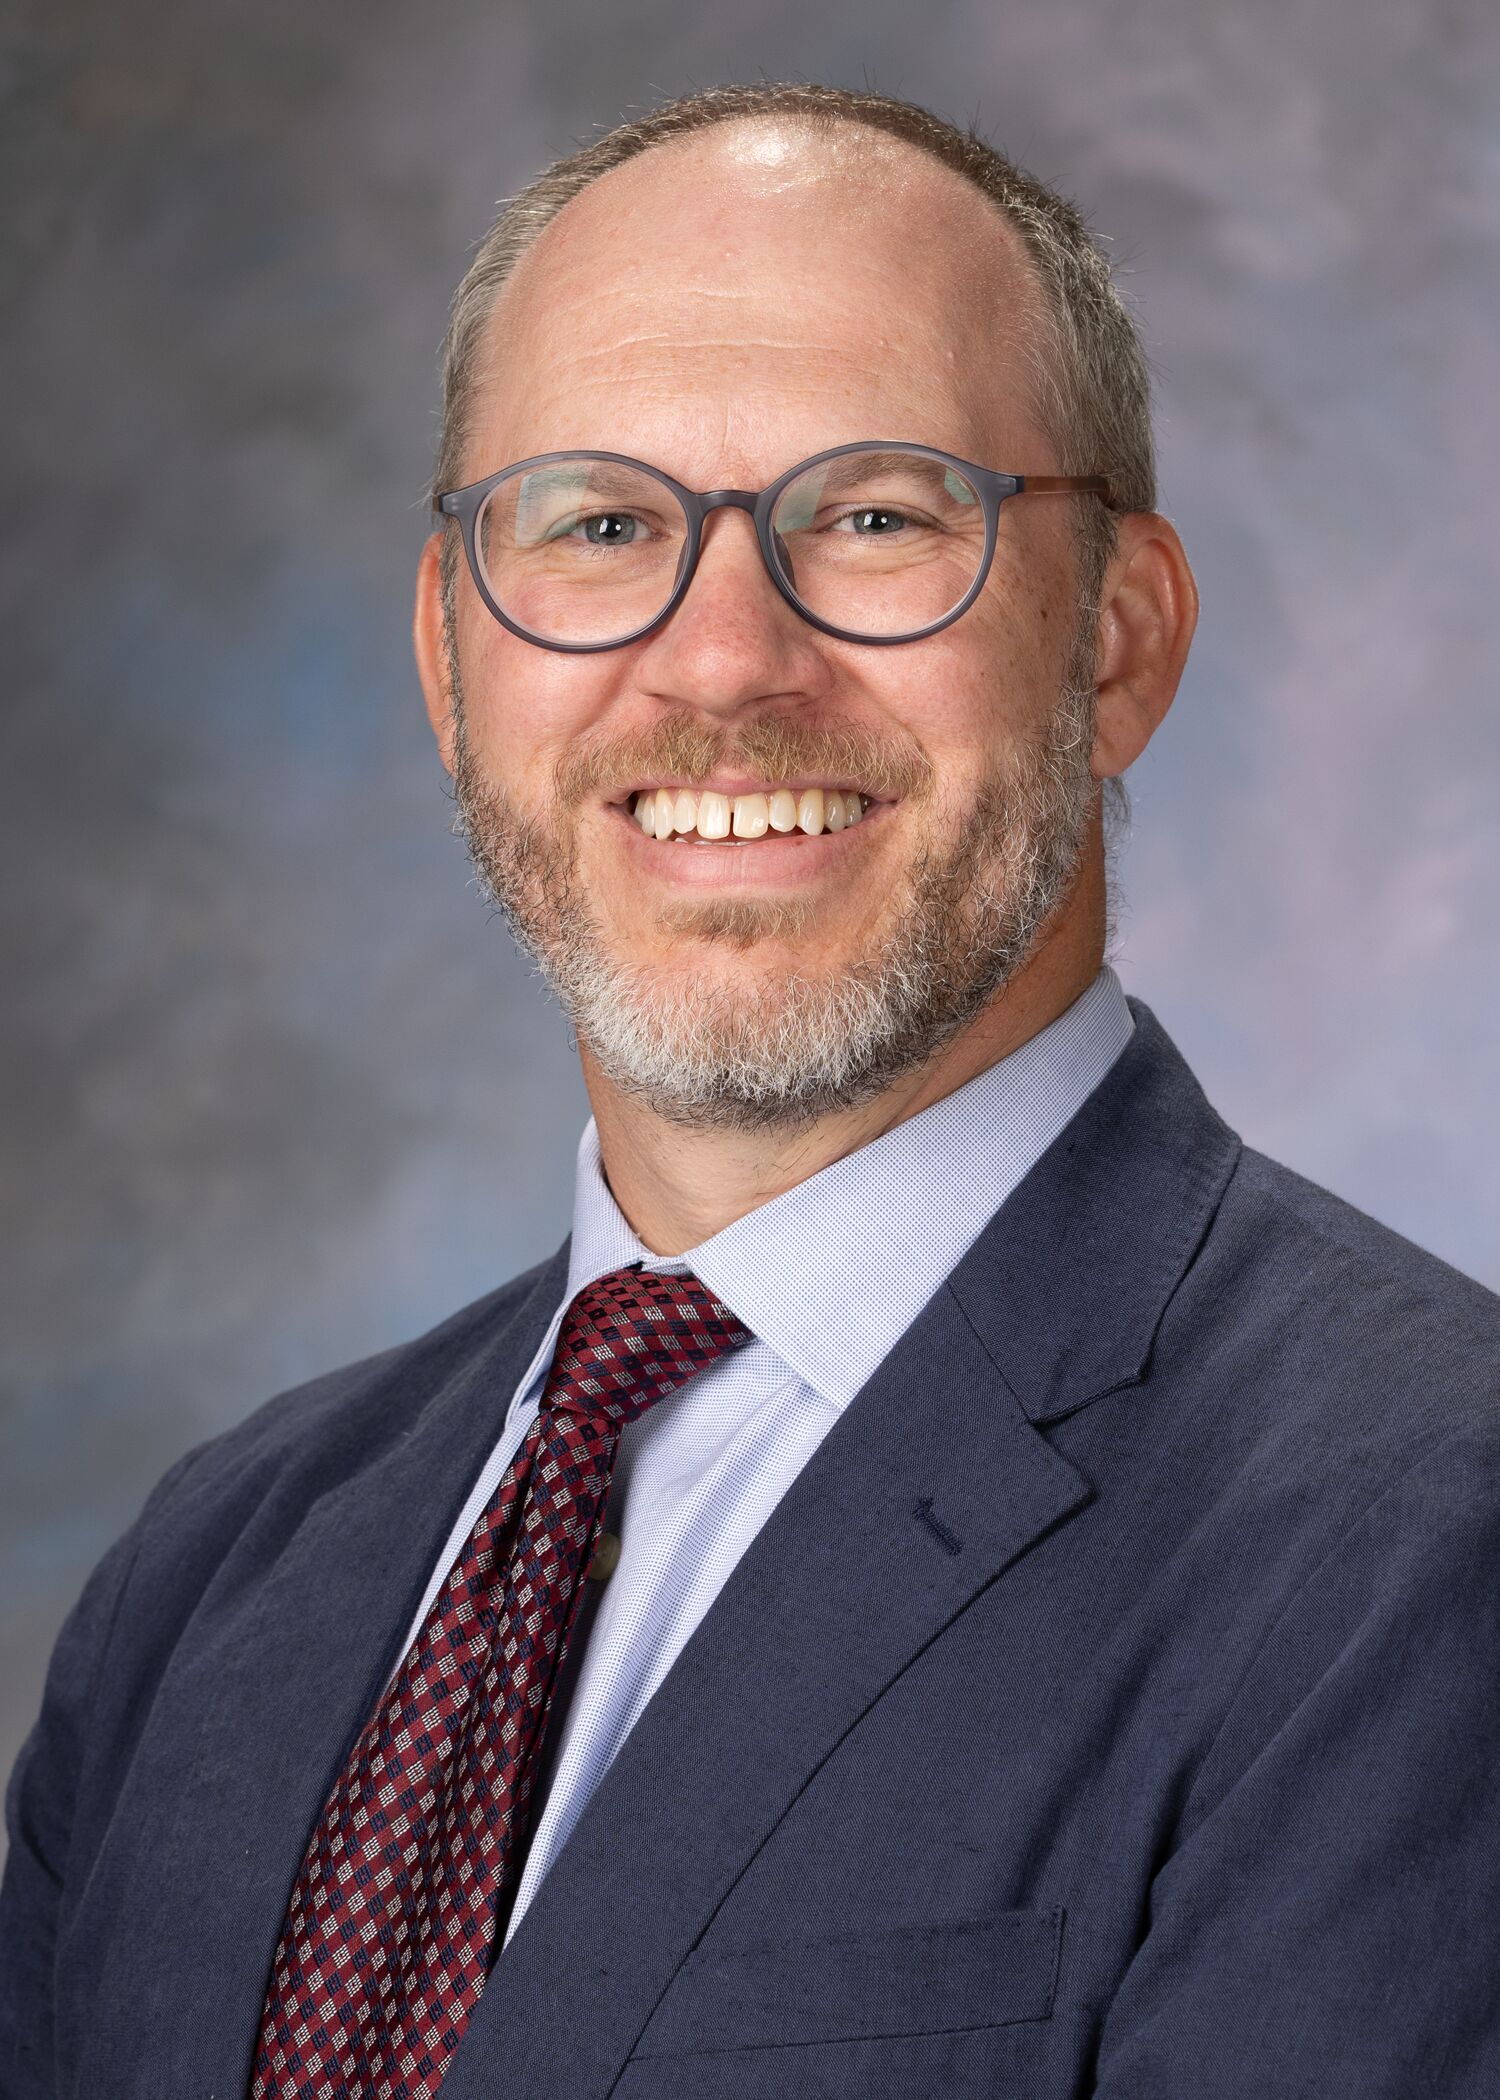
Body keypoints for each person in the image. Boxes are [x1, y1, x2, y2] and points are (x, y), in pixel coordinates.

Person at [2, 79, 1496, 2100]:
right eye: (603, 523)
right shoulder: (215, 1578)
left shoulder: (1423, 1542)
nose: (722, 662)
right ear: (453, 665)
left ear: (1120, 640)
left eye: (876, 516)